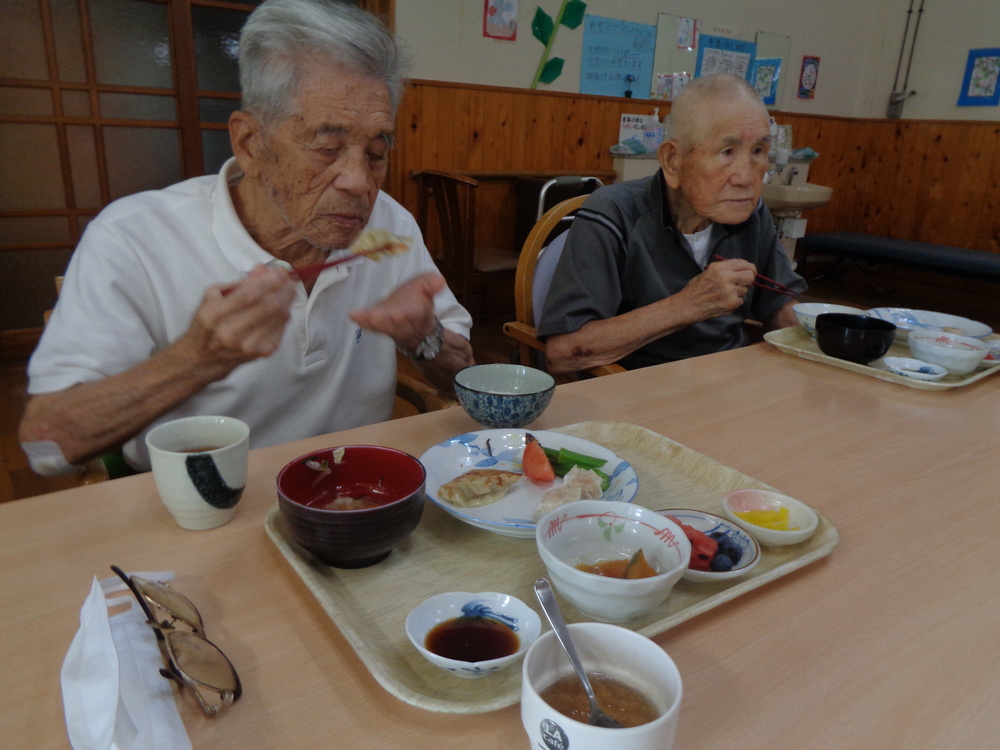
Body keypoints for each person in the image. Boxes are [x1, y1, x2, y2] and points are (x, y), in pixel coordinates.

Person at [19, 0, 474, 476]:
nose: (359, 182)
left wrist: (426, 338)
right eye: (328, 148)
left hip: (354, 492)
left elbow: (462, 377)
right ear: (250, 144)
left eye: (377, 152)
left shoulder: (389, 227)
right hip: (202, 508)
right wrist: (197, 358)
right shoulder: (134, 238)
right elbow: (46, 447)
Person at [537, 73, 806, 374]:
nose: (746, 177)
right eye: (727, 152)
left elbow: (779, 308)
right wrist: (689, 304)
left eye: (758, 151)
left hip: (729, 381)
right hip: (638, 390)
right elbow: (563, 352)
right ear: (673, 161)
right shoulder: (613, 212)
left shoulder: (751, 213)